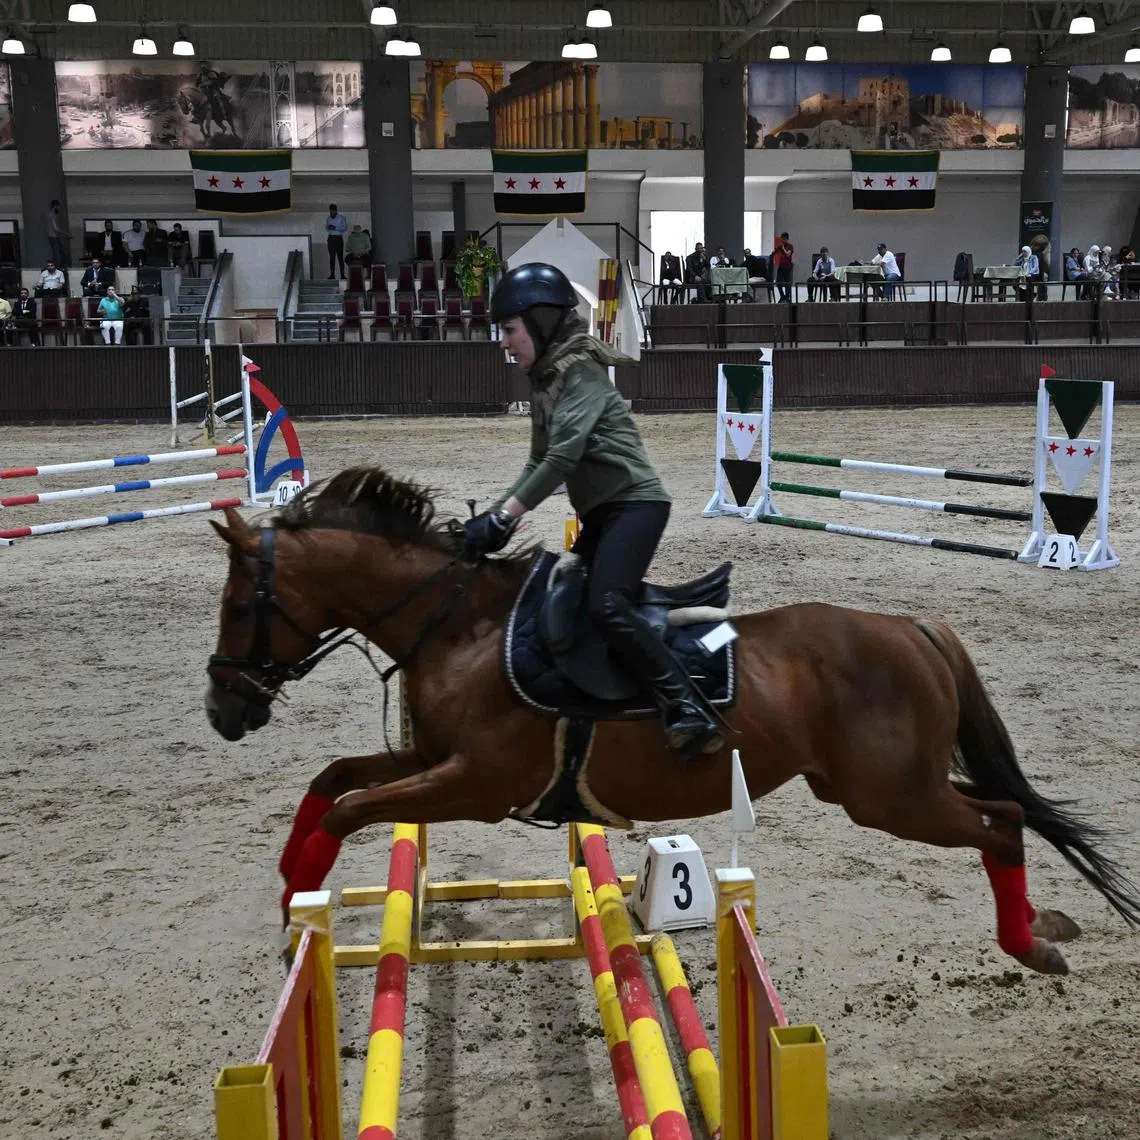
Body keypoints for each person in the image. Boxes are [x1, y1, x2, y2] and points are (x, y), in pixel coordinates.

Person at [465, 262, 724, 760]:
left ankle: (685, 706)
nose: (504, 342)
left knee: (607, 604)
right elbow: (536, 460)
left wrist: (504, 517)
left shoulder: (579, 372)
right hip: (605, 513)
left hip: (637, 507)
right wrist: (495, 516)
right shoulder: (546, 381)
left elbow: (562, 460)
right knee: (564, 593)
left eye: (509, 329)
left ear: (539, 323)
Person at [45, 198, 69, 267]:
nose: (59, 209)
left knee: (62, 254)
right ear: (55, 206)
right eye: (59, 207)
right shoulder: (51, 215)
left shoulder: (53, 215)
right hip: (53, 237)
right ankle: (57, 268)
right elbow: (55, 228)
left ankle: (60, 267)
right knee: (57, 255)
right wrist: (66, 233)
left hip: (55, 237)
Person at [326, 203, 347, 279]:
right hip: (331, 238)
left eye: (332, 211)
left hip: (338, 238)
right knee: (332, 257)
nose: (331, 213)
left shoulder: (341, 218)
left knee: (340, 257)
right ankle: (332, 274)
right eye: (330, 211)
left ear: (336, 211)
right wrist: (329, 227)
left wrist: (335, 228)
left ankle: (342, 275)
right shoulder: (329, 218)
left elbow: (345, 228)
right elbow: (326, 228)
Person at [771, 232, 793, 302]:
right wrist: (774, 251)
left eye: (784, 239)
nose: (783, 241)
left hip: (788, 267)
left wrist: (783, 248)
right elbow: (773, 253)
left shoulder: (790, 246)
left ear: (787, 239)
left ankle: (787, 297)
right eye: (782, 239)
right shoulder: (780, 247)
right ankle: (782, 296)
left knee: (787, 283)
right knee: (778, 282)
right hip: (781, 266)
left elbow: (787, 255)